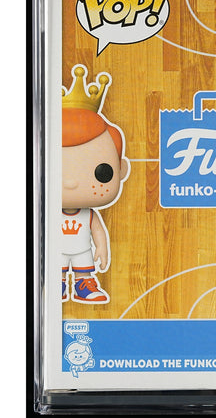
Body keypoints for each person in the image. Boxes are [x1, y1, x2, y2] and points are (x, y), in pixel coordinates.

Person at [61, 65, 129, 303]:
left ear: (121, 170)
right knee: (55, 270)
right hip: (55, 253)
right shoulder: (47, 214)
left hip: (83, 251)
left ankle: (84, 285)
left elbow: (98, 231)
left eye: (102, 173)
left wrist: (102, 248)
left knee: (84, 268)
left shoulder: (89, 215)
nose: (70, 182)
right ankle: (58, 285)